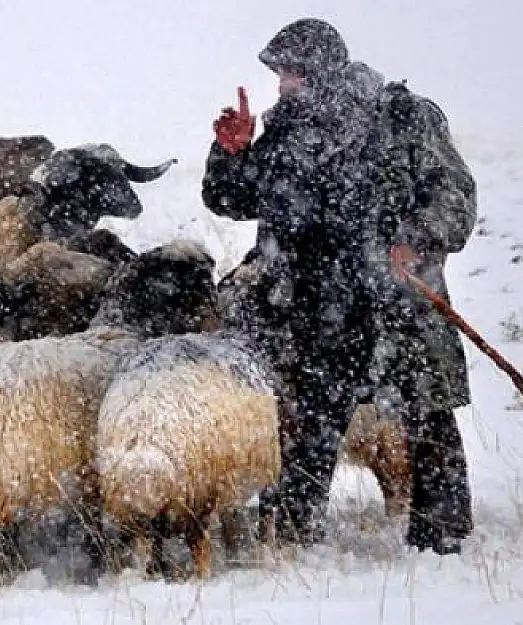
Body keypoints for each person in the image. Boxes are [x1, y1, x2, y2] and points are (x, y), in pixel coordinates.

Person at [201, 17, 477, 554]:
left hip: (394, 298)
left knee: (425, 412)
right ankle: (291, 536)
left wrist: (417, 238)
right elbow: (233, 202)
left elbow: (455, 190)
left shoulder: (401, 118)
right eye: (279, 72)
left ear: (323, 70)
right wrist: (232, 154)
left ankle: (442, 534)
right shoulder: (285, 130)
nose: (280, 83)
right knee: (305, 418)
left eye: (291, 71)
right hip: (312, 303)